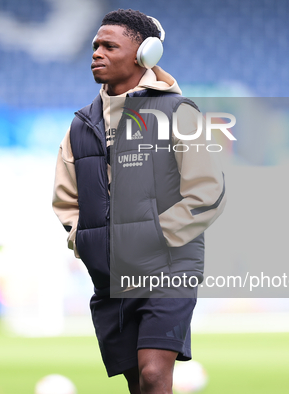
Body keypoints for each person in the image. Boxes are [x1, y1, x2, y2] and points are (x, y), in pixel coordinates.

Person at [52, 9, 226, 394]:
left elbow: (208, 192)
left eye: (109, 46)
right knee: (136, 382)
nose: (96, 52)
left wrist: (154, 235)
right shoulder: (80, 125)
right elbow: (66, 201)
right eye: (95, 45)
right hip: (109, 274)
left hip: (169, 264)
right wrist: (86, 242)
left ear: (144, 54)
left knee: (153, 373)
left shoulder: (178, 112)